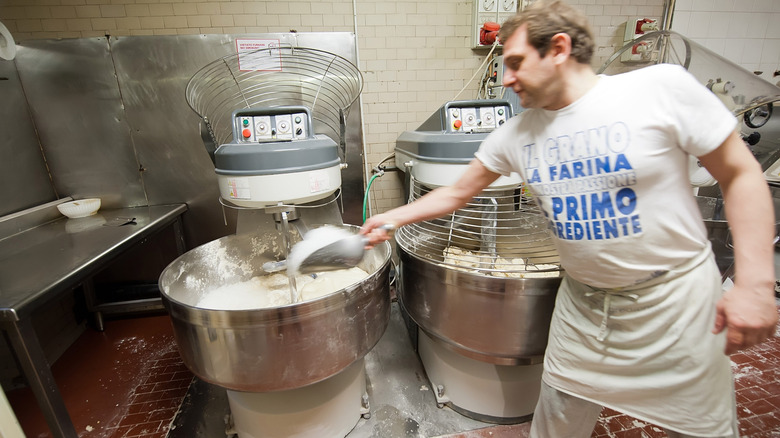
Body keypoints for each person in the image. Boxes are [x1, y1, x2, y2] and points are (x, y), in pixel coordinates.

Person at [361, 1, 778, 437]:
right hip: (584, 308)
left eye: (517, 62)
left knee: (700, 430)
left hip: (676, 304)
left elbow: (740, 172)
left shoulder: (658, 89)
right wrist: (391, 218)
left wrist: (755, 284)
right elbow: (458, 191)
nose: (506, 77)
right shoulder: (517, 135)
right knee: (556, 425)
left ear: (558, 48)